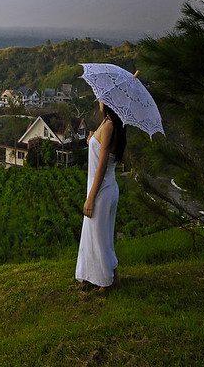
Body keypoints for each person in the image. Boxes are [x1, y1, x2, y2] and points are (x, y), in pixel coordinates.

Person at [75, 101, 126, 290]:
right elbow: (99, 148)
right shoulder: (107, 123)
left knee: (100, 238)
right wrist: (91, 140)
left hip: (102, 191)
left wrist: (91, 198)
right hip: (105, 189)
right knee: (96, 236)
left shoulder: (110, 126)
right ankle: (94, 277)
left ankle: (109, 281)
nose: (98, 100)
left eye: (102, 98)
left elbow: (102, 167)